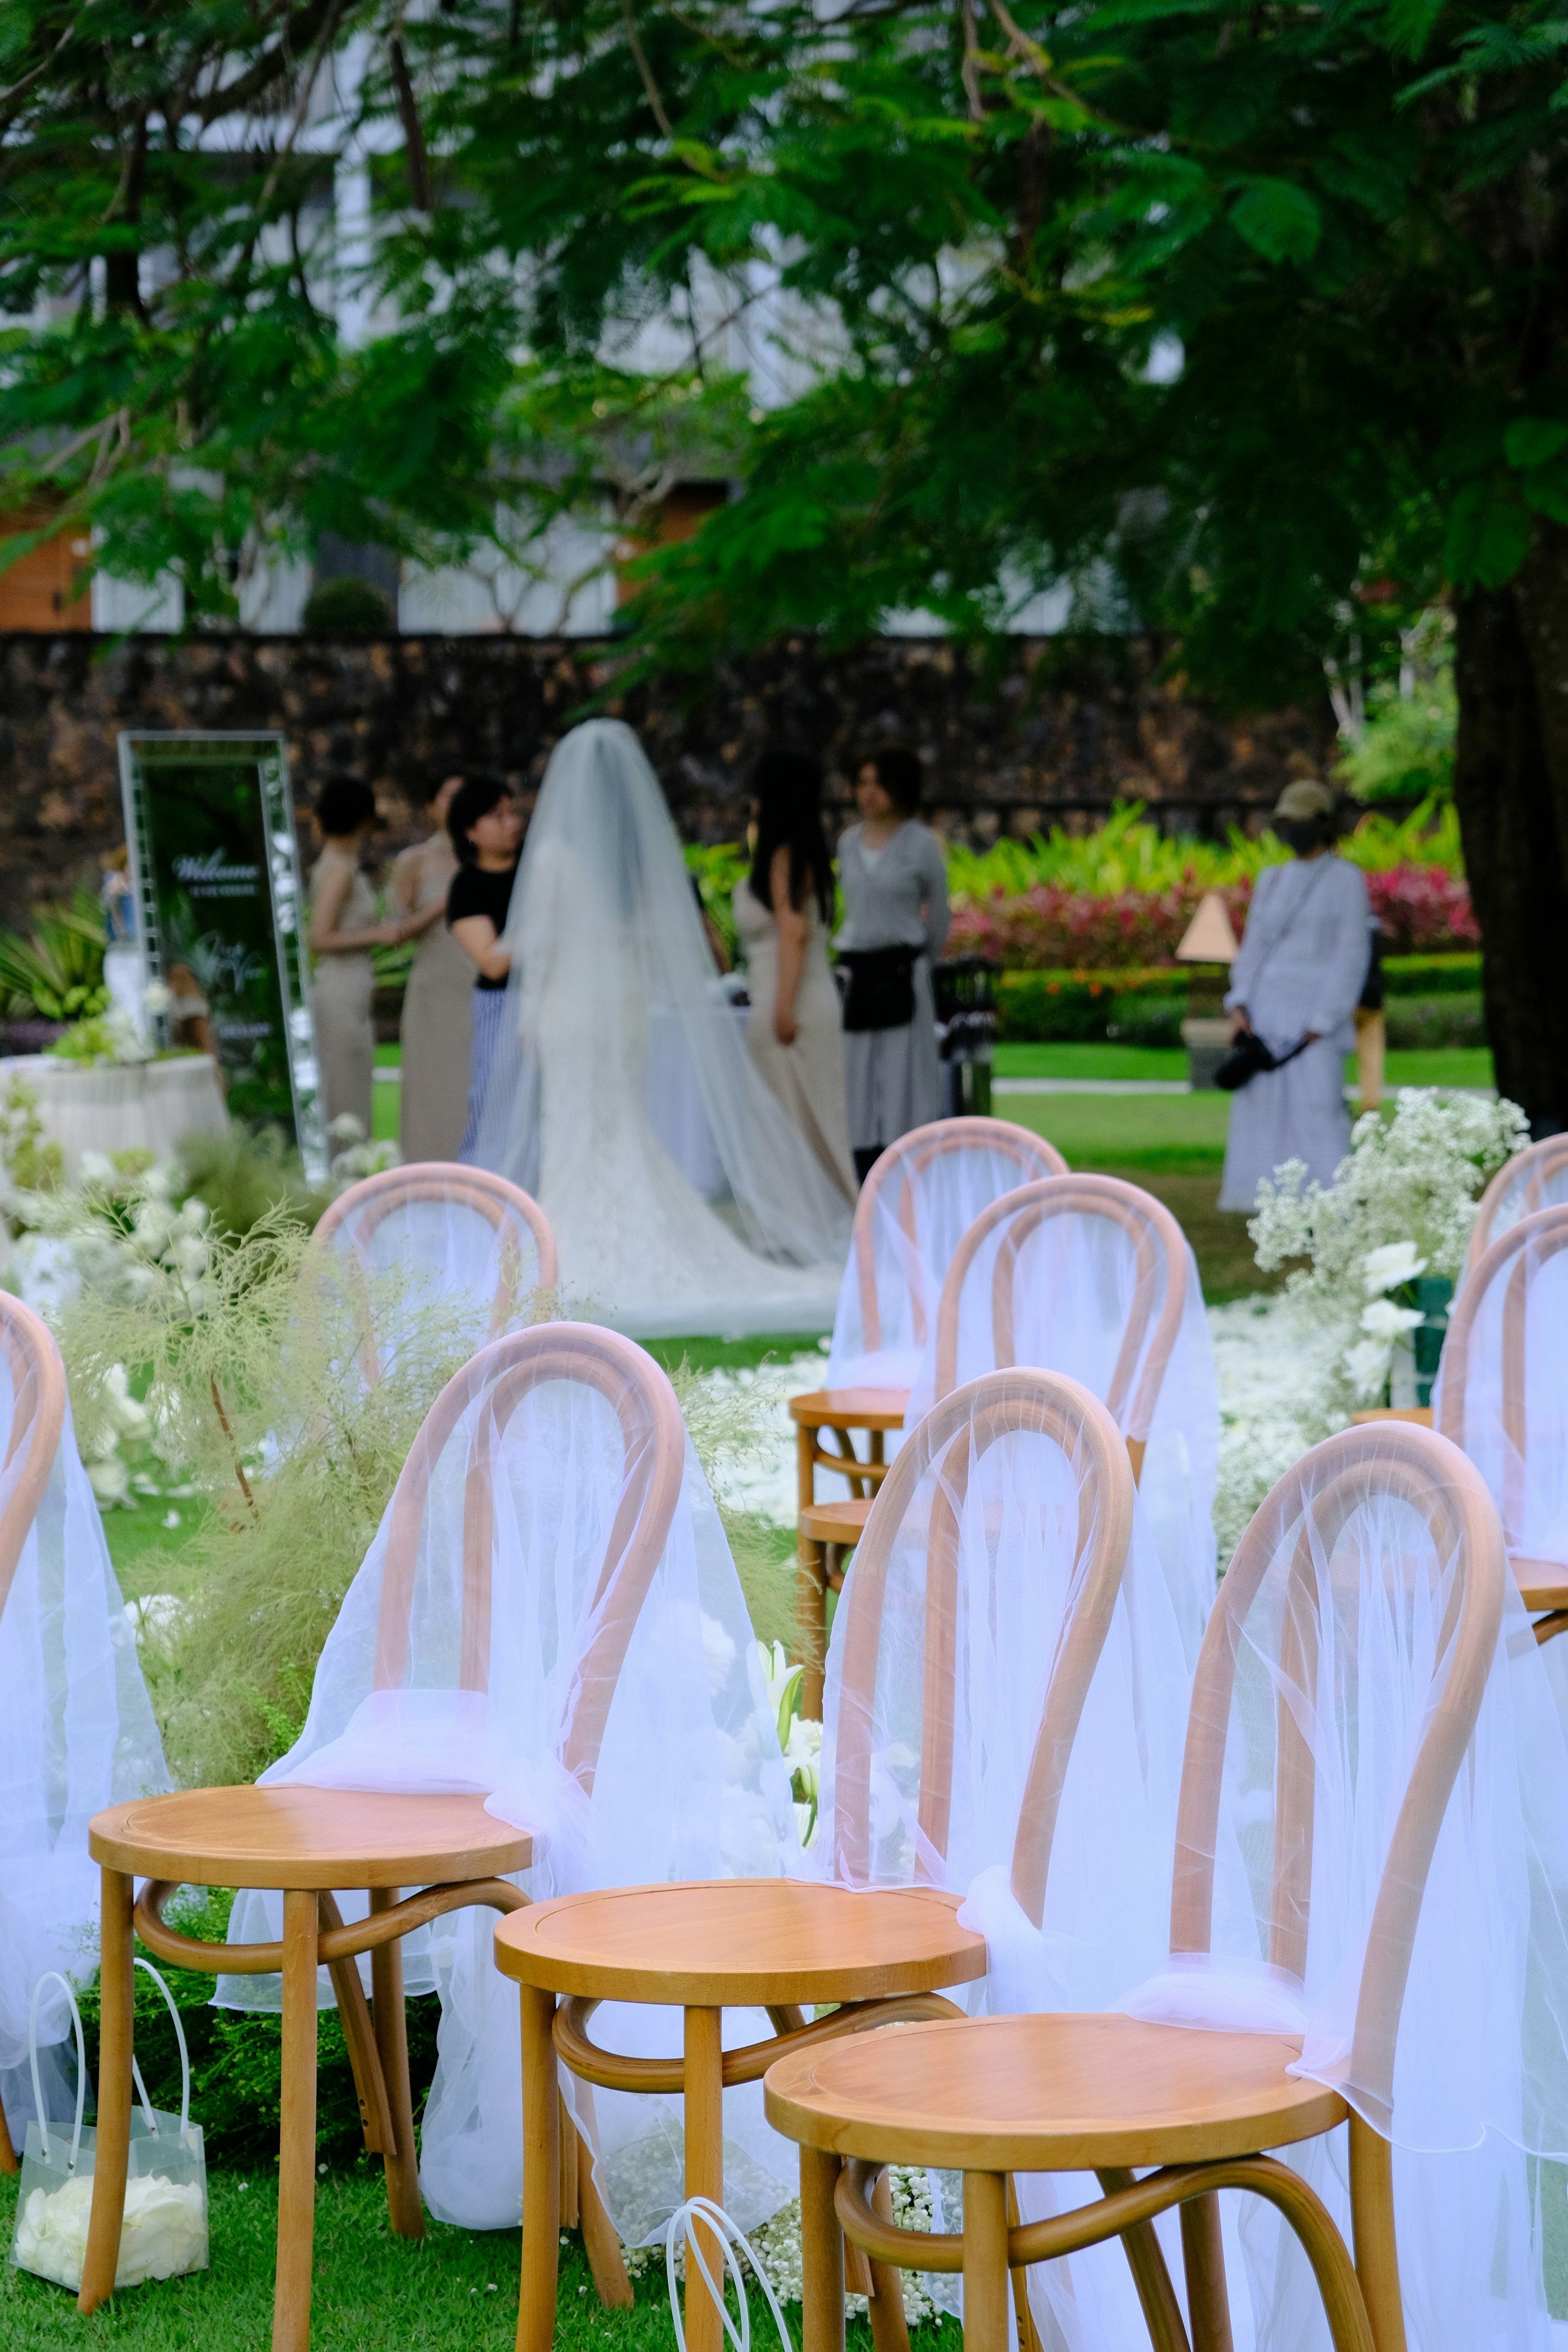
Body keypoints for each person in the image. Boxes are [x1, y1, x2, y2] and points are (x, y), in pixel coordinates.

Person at [470, 719, 852, 1335]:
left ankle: (570, 1240)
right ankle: (624, 1224)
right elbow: (659, 940)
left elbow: (538, 946)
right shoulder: (634, 865)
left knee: (572, 1120)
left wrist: (532, 1013)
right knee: (619, 1116)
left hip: (571, 1002)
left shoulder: (553, 856)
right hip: (623, 1006)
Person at [1218, 777, 1371, 1211]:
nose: (1292, 830)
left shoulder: (1346, 880)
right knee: (1262, 1108)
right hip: (1267, 1008)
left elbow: (1350, 956)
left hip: (1315, 1014)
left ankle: (1331, 1202)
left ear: (1322, 824)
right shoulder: (1271, 879)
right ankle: (1263, 1201)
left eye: (1300, 821)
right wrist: (1240, 1004)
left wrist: (1322, 1020)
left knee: (1318, 1107)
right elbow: (1253, 947)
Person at [733, 749, 856, 1206]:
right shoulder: (804, 855)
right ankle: (811, 1218)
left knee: (795, 1120)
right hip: (800, 994)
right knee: (803, 1117)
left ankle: (808, 1222)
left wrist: (782, 1006)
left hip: (790, 998)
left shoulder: (786, 856)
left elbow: (794, 930)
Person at [835, 741, 950, 1185]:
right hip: (859, 973)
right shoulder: (848, 843)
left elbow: (938, 914)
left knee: (906, 1074)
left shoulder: (919, 844)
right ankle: (863, 1167)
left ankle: (909, 1168)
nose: (870, 793)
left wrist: (924, 959)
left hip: (903, 970)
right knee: (859, 1073)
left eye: (879, 784)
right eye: (862, 783)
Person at [307, 775, 405, 1137]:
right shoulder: (339, 869)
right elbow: (319, 937)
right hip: (340, 988)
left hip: (353, 987)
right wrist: (378, 934)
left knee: (353, 1086)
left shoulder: (342, 865)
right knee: (345, 1093)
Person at [391, 772, 472, 1162]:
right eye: (449, 795)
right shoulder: (414, 861)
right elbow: (395, 931)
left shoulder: (493, 856)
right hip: (435, 988)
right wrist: (450, 898)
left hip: (483, 985)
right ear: (431, 807)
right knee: (433, 1089)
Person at [444, 772, 524, 1161]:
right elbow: (492, 963)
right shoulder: (468, 887)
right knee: (495, 1099)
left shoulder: (539, 869)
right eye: (498, 816)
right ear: (471, 831)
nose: (512, 824)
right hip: (502, 1005)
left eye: (512, 813)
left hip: (559, 1000)